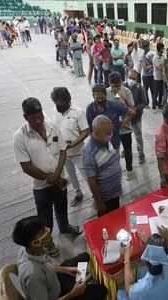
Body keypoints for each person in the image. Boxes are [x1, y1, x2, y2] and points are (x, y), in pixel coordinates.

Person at [13, 98, 81, 257]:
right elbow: (26, 166)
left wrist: (58, 173)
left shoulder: (52, 126)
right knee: (45, 218)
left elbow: (63, 150)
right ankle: (48, 244)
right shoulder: (20, 137)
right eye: (33, 118)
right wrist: (49, 177)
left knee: (62, 206)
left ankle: (65, 227)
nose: (38, 120)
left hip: (59, 179)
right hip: (41, 186)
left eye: (40, 116)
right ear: (25, 117)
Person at [13, 216, 107, 300]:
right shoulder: (34, 276)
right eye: (43, 231)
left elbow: (45, 264)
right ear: (35, 243)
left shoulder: (26, 249)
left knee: (85, 257)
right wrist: (73, 293)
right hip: (57, 295)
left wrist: (66, 269)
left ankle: (77, 283)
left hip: (53, 282)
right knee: (101, 290)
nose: (48, 229)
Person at [51, 87, 89, 207]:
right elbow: (55, 130)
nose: (58, 105)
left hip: (79, 152)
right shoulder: (55, 111)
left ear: (68, 100)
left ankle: (96, 194)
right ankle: (78, 194)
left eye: (61, 102)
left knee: (87, 174)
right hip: (64, 154)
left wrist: (72, 144)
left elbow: (85, 131)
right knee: (71, 175)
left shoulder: (78, 112)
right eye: (56, 102)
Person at [118, 234, 168, 300]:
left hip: (150, 293)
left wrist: (126, 258)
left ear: (145, 261)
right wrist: (151, 243)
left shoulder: (141, 290)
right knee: (143, 271)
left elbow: (128, 288)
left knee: (120, 292)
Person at [83, 115, 122, 216]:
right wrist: (99, 202)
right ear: (96, 133)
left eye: (111, 131)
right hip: (105, 199)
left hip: (114, 193)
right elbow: (91, 181)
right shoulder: (89, 153)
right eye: (108, 133)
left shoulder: (105, 140)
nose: (111, 135)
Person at [107, 72, 136, 181]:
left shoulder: (127, 91)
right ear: (110, 83)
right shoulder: (106, 92)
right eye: (114, 85)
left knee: (127, 150)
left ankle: (129, 170)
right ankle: (117, 172)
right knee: (115, 152)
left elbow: (132, 109)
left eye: (118, 84)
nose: (116, 87)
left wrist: (126, 121)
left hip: (125, 128)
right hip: (113, 129)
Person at [125, 69, 147, 164]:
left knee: (138, 137)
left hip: (136, 118)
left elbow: (144, 102)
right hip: (125, 118)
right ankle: (125, 150)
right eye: (130, 77)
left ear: (137, 78)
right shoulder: (122, 86)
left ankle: (141, 154)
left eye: (133, 78)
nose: (131, 80)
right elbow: (117, 98)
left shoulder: (140, 88)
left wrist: (135, 109)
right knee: (125, 137)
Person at [140, 40, 156, 108]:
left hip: (152, 75)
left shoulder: (152, 54)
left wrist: (150, 65)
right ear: (144, 47)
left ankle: (154, 104)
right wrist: (152, 65)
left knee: (153, 90)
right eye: (146, 46)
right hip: (145, 76)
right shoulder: (143, 56)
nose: (148, 48)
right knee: (145, 90)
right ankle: (146, 103)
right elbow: (145, 68)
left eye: (148, 46)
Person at [152, 42, 166, 109]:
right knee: (155, 92)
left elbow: (163, 66)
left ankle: (160, 104)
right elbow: (159, 68)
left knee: (161, 92)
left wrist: (162, 66)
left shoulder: (163, 57)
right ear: (159, 49)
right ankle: (154, 105)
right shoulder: (155, 57)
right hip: (156, 78)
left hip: (162, 78)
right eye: (163, 48)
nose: (163, 50)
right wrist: (163, 66)